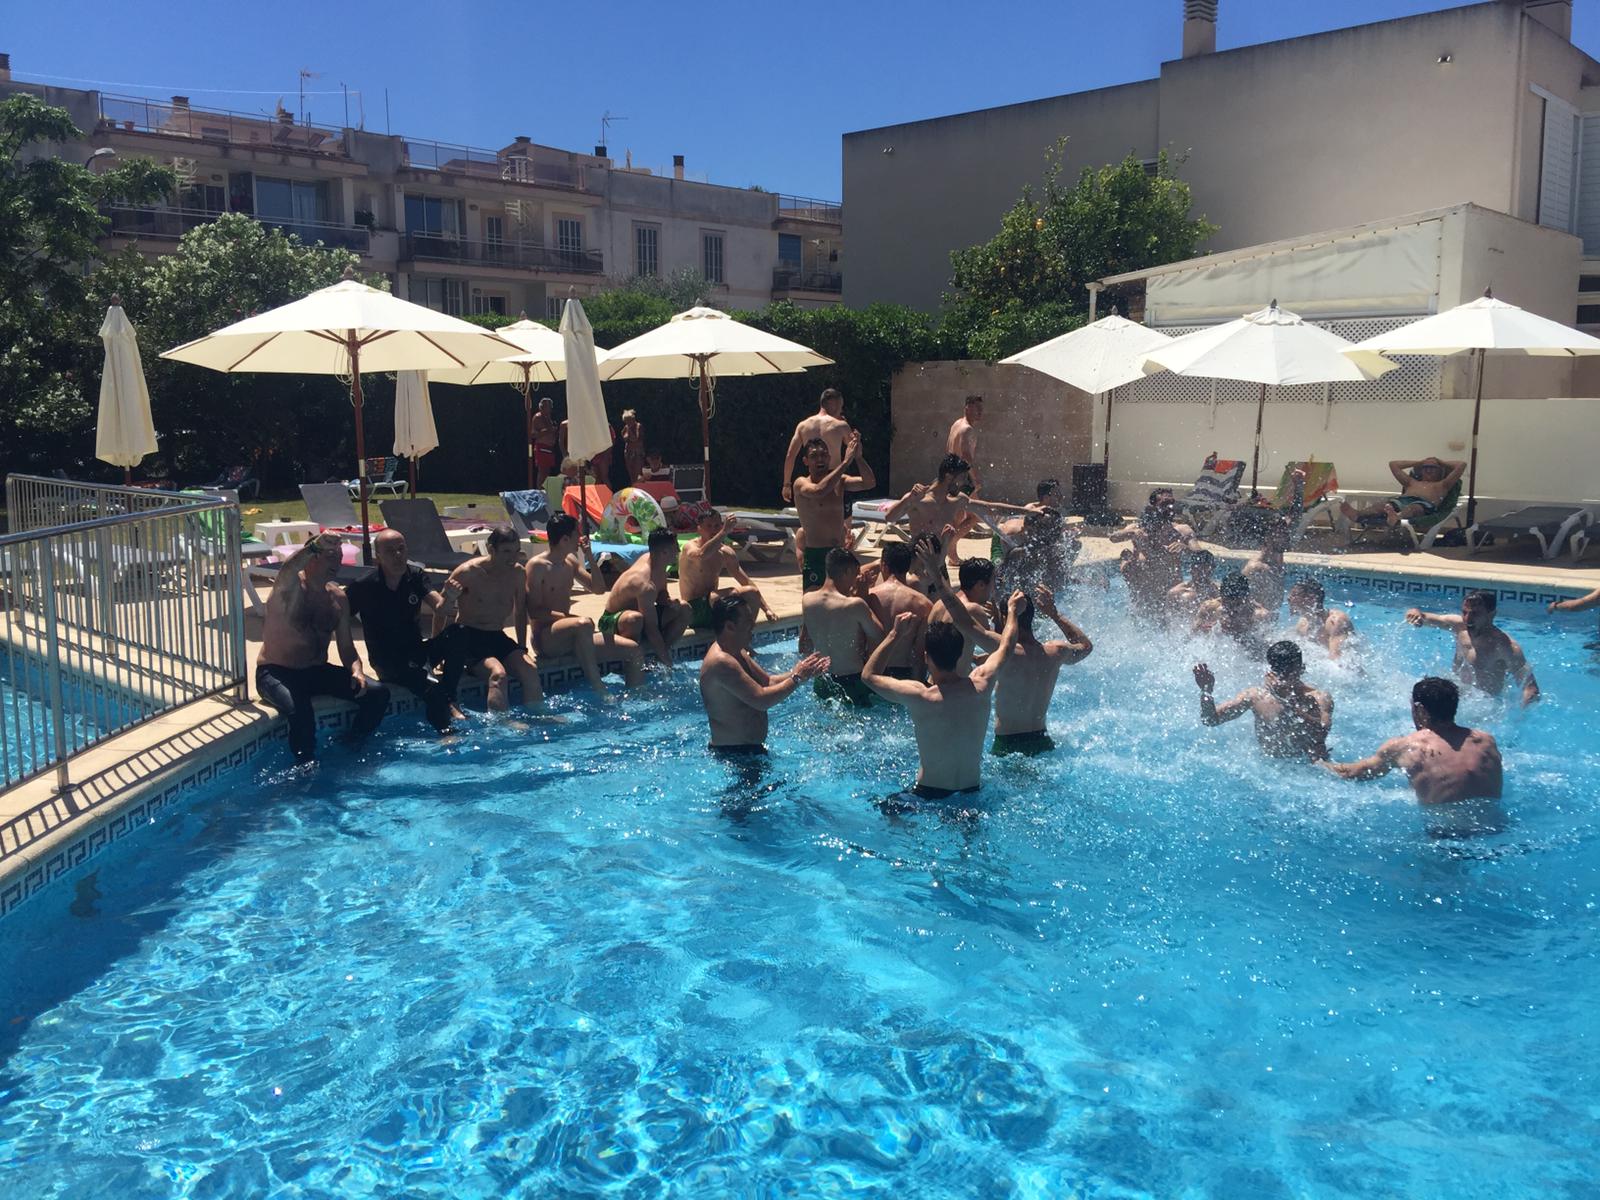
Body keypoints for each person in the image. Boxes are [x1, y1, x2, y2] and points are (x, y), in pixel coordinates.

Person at [863, 590, 1026, 799]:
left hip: (928, 795)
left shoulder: (920, 696)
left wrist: (895, 634)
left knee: (887, 809)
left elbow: (869, 675)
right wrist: (1012, 611)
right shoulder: (981, 685)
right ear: (960, 654)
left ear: (926, 657)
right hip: (971, 793)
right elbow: (1007, 646)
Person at [256, 533, 390, 762]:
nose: (337, 563)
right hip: (276, 672)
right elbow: (289, 567)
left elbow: (347, 648)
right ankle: (304, 767)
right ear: (312, 559)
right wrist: (315, 545)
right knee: (301, 712)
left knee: (377, 693)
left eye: (339, 557)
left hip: (315, 672)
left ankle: (351, 745)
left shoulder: (338, 598)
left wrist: (356, 671)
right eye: (330, 556)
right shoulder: (289, 589)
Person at [344, 528, 458, 733]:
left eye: (401, 549)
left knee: (459, 633)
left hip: (416, 651)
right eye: (390, 551)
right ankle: (447, 735)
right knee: (430, 688)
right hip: (388, 661)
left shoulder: (415, 576)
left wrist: (448, 597)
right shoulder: (364, 585)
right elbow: (339, 618)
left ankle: (451, 695)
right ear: (378, 556)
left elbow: (440, 607)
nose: (398, 555)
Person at [1324, 677, 1503, 804]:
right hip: (1496, 832)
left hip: (1444, 835)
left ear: (1419, 709)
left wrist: (1318, 761)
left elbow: (1352, 773)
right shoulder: (1487, 741)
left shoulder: (1406, 747)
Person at [524, 512, 643, 695]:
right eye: (576, 534)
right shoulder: (537, 566)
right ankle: (598, 688)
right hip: (547, 638)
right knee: (583, 623)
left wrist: (589, 557)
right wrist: (569, 618)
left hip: (576, 633)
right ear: (565, 539)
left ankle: (636, 697)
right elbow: (534, 611)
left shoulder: (570, 562)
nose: (580, 538)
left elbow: (598, 589)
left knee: (633, 651)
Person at [699, 595, 829, 755]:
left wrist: (803, 671)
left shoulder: (737, 651)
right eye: (747, 621)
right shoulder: (721, 662)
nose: (753, 624)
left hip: (748, 751)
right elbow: (761, 700)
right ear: (730, 626)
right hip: (733, 754)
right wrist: (797, 678)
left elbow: (768, 681)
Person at [433, 525, 543, 713]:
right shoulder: (468, 572)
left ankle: (539, 718)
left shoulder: (517, 573)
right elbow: (441, 610)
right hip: (469, 638)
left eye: (516, 551)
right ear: (491, 549)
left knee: (530, 670)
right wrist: (439, 652)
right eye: (506, 552)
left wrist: (522, 646)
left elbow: (519, 612)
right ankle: (501, 727)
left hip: (497, 636)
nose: (513, 558)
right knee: (498, 674)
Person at [991, 585, 1093, 757]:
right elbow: (1086, 647)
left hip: (1007, 746)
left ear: (1007, 616)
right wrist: (1055, 614)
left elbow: (967, 625)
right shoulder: (1055, 651)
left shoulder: (1005, 652)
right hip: (1042, 742)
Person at [1192, 640, 1333, 761]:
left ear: (1301, 669)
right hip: (1270, 767)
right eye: (1280, 672)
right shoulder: (1256, 696)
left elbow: (1321, 732)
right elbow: (1210, 720)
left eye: (1290, 672)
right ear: (1271, 671)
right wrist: (1206, 691)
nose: (1284, 678)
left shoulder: (1319, 698)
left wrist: (1285, 701)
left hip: (1307, 769)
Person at [885, 455, 1036, 564]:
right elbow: (889, 518)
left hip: (939, 567)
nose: (964, 483)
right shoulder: (919, 500)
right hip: (916, 566)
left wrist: (1026, 511)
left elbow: (990, 508)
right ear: (949, 476)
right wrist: (908, 499)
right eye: (962, 478)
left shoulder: (957, 501)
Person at [1405, 590, 1539, 706]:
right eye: (1464, 612)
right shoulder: (1459, 627)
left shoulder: (1506, 647)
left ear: (1491, 614)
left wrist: (1520, 718)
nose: (1468, 619)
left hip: (1484, 705)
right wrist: (1415, 613)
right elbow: (1426, 617)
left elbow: (1530, 687)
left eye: (1475, 613)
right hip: (1457, 693)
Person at [792, 431, 876, 592]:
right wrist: (845, 462)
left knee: (845, 599)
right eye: (814, 456)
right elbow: (818, 491)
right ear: (806, 461)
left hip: (839, 554)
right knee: (815, 604)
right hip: (817, 554)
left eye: (824, 455)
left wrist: (858, 457)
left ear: (829, 458)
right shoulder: (800, 483)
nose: (820, 459)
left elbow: (869, 482)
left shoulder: (841, 480)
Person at [801, 548, 886, 706]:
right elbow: (879, 635)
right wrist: (863, 593)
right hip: (851, 681)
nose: (855, 580)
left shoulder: (807, 600)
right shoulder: (854, 605)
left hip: (822, 681)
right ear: (847, 572)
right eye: (855, 575)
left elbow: (805, 644)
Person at [601, 528, 693, 669]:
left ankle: (658, 659)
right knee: (635, 619)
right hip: (612, 621)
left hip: (642, 615)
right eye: (676, 548)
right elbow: (651, 628)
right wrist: (669, 664)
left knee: (684, 608)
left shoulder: (655, 561)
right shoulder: (644, 583)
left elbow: (661, 591)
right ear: (664, 553)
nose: (678, 552)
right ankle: (629, 663)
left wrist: (667, 601)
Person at [678, 509, 777, 631]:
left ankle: (745, 638)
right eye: (709, 526)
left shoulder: (725, 553)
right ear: (699, 529)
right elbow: (702, 555)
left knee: (751, 592)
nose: (713, 530)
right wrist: (724, 532)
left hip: (714, 607)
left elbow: (746, 582)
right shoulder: (690, 547)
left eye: (717, 526)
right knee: (730, 594)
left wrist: (767, 609)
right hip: (693, 610)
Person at [866, 541, 935, 679]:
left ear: (883, 566)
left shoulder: (867, 597)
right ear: (908, 566)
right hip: (904, 675)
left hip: (872, 672)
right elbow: (919, 654)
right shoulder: (923, 604)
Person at [1340, 456, 1466, 527]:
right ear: (1421, 470)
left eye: (1433, 468)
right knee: (1382, 506)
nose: (1428, 470)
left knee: (1413, 508)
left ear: (1440, 471)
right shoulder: (1411, 482)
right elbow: (1393, 464)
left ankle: (1396, 518)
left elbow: (1462, 464)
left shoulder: (1443, 485)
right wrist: (1419, 462)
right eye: (1425, 467)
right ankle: (1357, 514)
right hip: (1401, 501)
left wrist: (1440, 461)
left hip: (1424, 505)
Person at [1109, 488, 1193, 593]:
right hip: (1143, 586)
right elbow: (1113, 538)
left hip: (1170, 587)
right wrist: (1132, 533)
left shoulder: (1181, 530)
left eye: (1172, 503)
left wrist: (1185, 548)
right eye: (1165, 503)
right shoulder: (1137, 528)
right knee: (1127, 558)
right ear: (1153, 506)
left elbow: (1202, 556)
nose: (1170, 507)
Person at [931, 556, 1004, 674]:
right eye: (993, 581)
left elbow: (942, 650)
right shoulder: (974, 610)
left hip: (934, 683)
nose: (994, 587)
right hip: (957, 687)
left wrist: (973, 658)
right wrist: (998, 618)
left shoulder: (939, 604)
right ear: (980, 585)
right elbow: (1000, 650)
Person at [780, 387, 852, 504]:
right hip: (834, 477)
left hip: (814, 479)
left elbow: (790, 456)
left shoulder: (803, 426)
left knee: (814, 518)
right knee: (843, 520)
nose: (841, 410)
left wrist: (786, 484)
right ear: (832, 404)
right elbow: (856, 450)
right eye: (840, 405)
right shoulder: (841, 426)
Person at [1193, 572, 1272, 651]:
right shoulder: (1209, 607)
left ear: (1246, 597)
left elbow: (1264, 648)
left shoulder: (1259, 615)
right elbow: (1193, 636)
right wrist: (1207, 630)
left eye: (1237, 604)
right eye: (1227, 604)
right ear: (1221, 595)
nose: (1232, 609)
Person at [1287, 578, 1355, 660]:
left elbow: (1338, 660)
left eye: (1294, 595)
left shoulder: (1335, 621)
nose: (1289, 598)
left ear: (1311, 598)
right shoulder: (1302, 624)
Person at [1243, 518, 1291, 612]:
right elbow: (1240, 592)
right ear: (1267, 538)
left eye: (1285, 533)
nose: (1285, 538)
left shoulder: (1277, 557)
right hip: (1260, 619)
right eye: (1280, 535)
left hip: (1273, 615)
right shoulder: (1256, 567)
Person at [945, 395, 984, 493]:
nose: (980, 411)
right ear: (968, 408)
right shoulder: (967, 429)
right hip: (961, 478)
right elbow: (966, 456)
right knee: (974, 506)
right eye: (977, 408)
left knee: (975, 505)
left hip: (951, 474)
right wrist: (975, 479)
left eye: (981, 408)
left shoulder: (956, 424)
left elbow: (948, 449)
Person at [1168, 549, 1219, 613]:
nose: (1201, 572)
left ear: (1212, 569)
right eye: (1197, 568)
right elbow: (1168, 620)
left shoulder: (1218, 592)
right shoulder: (1177, 593)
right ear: (1191, 568)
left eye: (1205, 568)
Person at [530, 396, 559, 487]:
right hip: (542, 447)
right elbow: (534, 434)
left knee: (547, 471)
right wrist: (549, 430)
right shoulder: (538, 417)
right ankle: (540, 489)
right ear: (542, 407)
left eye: (551, 406)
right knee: (542, 470)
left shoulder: (548, 417)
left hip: (549, 447)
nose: (550, 408)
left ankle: (545, 488)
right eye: (548, 406)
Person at [620, 409, 646, 483]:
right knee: (631, 474)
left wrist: (630, 431)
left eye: (629, 420)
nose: (627, 422)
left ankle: (639, 487)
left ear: (633, 419)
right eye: (626, 421)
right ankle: (633, 487)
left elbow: (635, 439)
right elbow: (624, 438)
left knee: (638, 473)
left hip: (638, 452)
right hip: (628, 452)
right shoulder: (626, 428)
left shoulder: (638, 426)